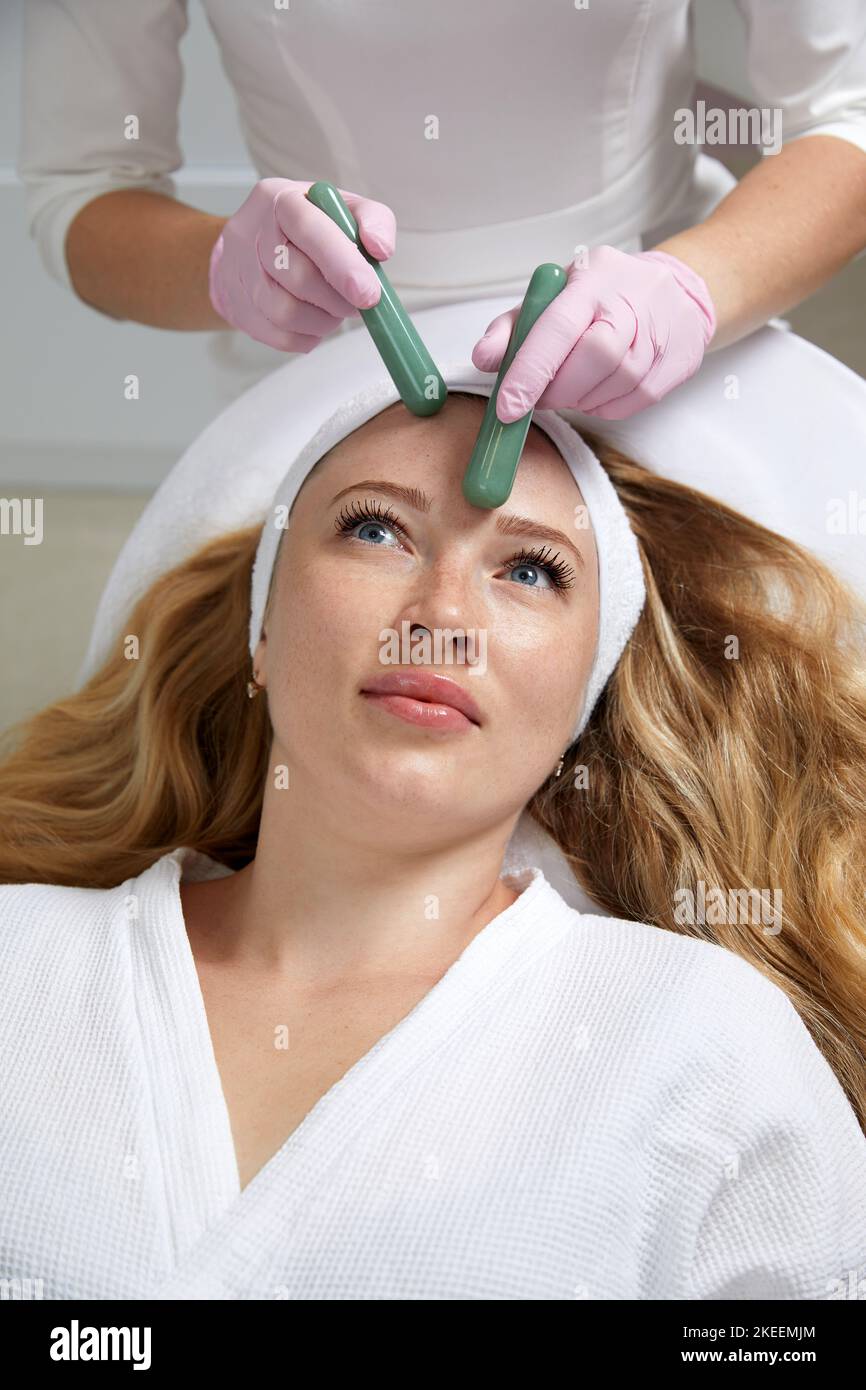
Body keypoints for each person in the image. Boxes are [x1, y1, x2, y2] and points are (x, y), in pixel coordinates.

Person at [1, 382, 865, 1299]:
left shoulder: (708, 1041)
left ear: (584, 699)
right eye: (376, 530)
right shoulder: (19, 961)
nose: (444, 619)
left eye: (531, 571)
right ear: (263, 628)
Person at [18, 1, 866, 418]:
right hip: (322, 360)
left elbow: (848, 113)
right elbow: (83, 184)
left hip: (668, 332)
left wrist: (686, 288)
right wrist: (224, 268)